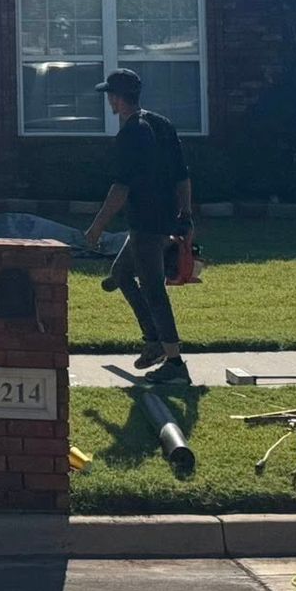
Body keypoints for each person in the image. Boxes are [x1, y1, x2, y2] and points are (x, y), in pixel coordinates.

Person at [83, 68, 194, 383]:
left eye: (109, 96)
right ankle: (154, 341)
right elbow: (182, 176)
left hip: (146, 224)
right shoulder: (162, 125)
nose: (109, 101)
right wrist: (186, 218)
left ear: (117, 98)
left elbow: (121, 187)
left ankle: (175, 364)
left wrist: (96, 228)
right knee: (120, 274)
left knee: (154, 288)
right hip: (165, 219)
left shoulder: (131, 134)